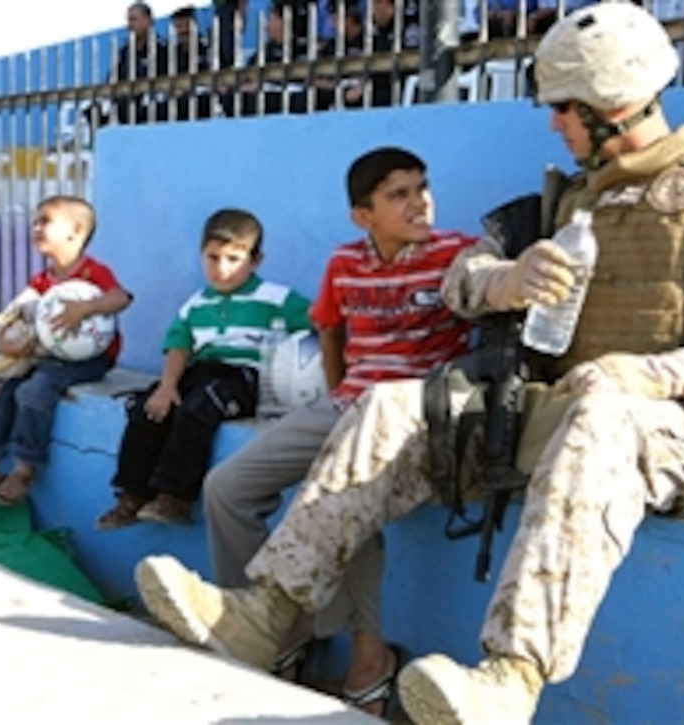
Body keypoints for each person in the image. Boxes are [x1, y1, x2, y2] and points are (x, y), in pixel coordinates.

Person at [130, 2, 684, 723]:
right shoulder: (568, 203)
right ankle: (265, 612)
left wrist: (648, 375)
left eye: (564, 108)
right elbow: (460, 278)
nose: (553, 124)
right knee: (388, 405)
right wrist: (510, 279)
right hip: (558, 414)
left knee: (605, 418)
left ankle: (510, 679)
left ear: (610, 106)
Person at [193, 146, 478, 716]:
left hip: (412, 414)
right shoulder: (345, 262)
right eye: (398, 194)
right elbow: (329, 330)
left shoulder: (459, 254)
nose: (418, 202)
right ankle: (274, 627)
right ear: (363, 215)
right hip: (348, 400)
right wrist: (337, 393)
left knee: (347, 499)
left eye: (421, 187)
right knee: (225, 488)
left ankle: (366, 661)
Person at [95, 208, 311, 528]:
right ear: (201, 254)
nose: (221, 268)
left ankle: (175, 498)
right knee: (147, 407)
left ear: (256, 260)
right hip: (200, 372)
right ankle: (133, 496)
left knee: (199, 407)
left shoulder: (277, 298)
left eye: (233, 259)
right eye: (212, 257)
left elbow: (323, 324)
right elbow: (179, 346)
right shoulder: (196, 303)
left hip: (245, 377)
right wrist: (167, 387)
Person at [0, 195, 133, 507]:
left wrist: (85, 308)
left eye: (45, 221)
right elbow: (12, 317)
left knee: (35, 391)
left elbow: (121, 298)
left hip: (89, 360)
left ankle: (25, 469)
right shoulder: (40, 281)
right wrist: (7, 345)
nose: (35, 227)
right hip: (46, 354)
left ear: (75, 231)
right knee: (1, 388)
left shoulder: (93, 273)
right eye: (35, 221)